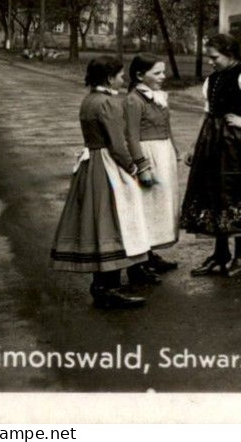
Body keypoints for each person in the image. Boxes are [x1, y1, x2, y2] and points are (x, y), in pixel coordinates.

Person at [49, 55, 153, 309]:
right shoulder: (109, 103)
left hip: (91, 163)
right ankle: (109, 288)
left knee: (99, 223)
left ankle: (101, 286)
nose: (123, 79)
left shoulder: (89, 101)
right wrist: (133, 167)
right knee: (114, 222)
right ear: (109, 78)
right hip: (107, 165)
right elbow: (117, 144)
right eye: (120, 76)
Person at [179, 33, 241, 277]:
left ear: (230, 55)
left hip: (234, 142)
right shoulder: (211, 80)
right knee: (213, 193)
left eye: (215, 57)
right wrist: (194, 146)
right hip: (210, 140)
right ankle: (220, 254)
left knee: (234, 191)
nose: (211, 62)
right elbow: (207, 113)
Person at [124, 53, 182, 284]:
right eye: (156, 73)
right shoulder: (134, 100)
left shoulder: (159, 97)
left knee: (161, 205)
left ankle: (150, 255)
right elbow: (131, 135)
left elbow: (168, 127)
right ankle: (138, 263)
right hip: (148, 155)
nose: (163, 76)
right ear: (140, 75)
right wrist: (142, 165)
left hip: (163, 152)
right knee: (146, 207)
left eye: (163, 72)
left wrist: (174, 150)